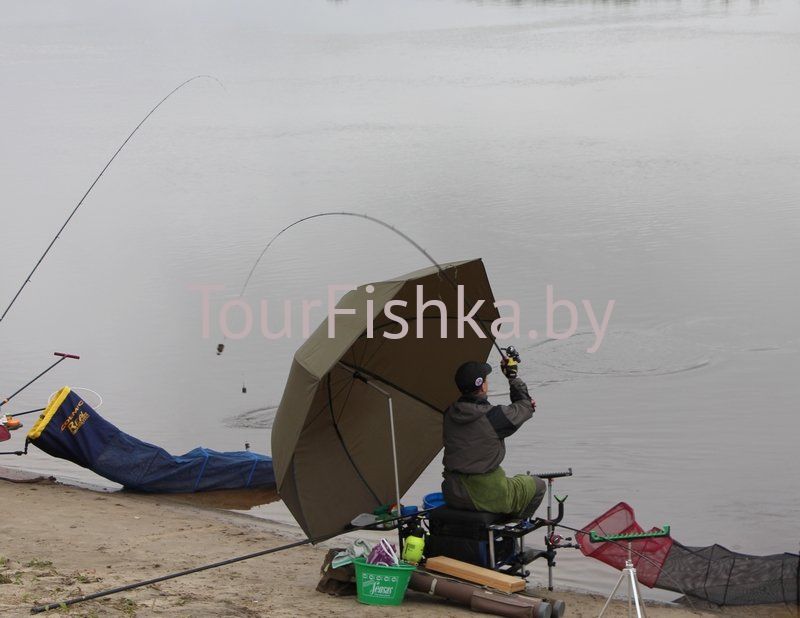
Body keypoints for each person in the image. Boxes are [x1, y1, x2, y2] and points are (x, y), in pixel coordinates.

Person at [441, 359, 546, 519]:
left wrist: (524, 405)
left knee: (512, 482)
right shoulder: (493, 418)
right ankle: (515, 525)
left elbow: (521, 407)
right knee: (538, 485)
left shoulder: (449, 413)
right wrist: (512, 377)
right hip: (484, 494)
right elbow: (525, 407)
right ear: (482, 386)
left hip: (452, 491)